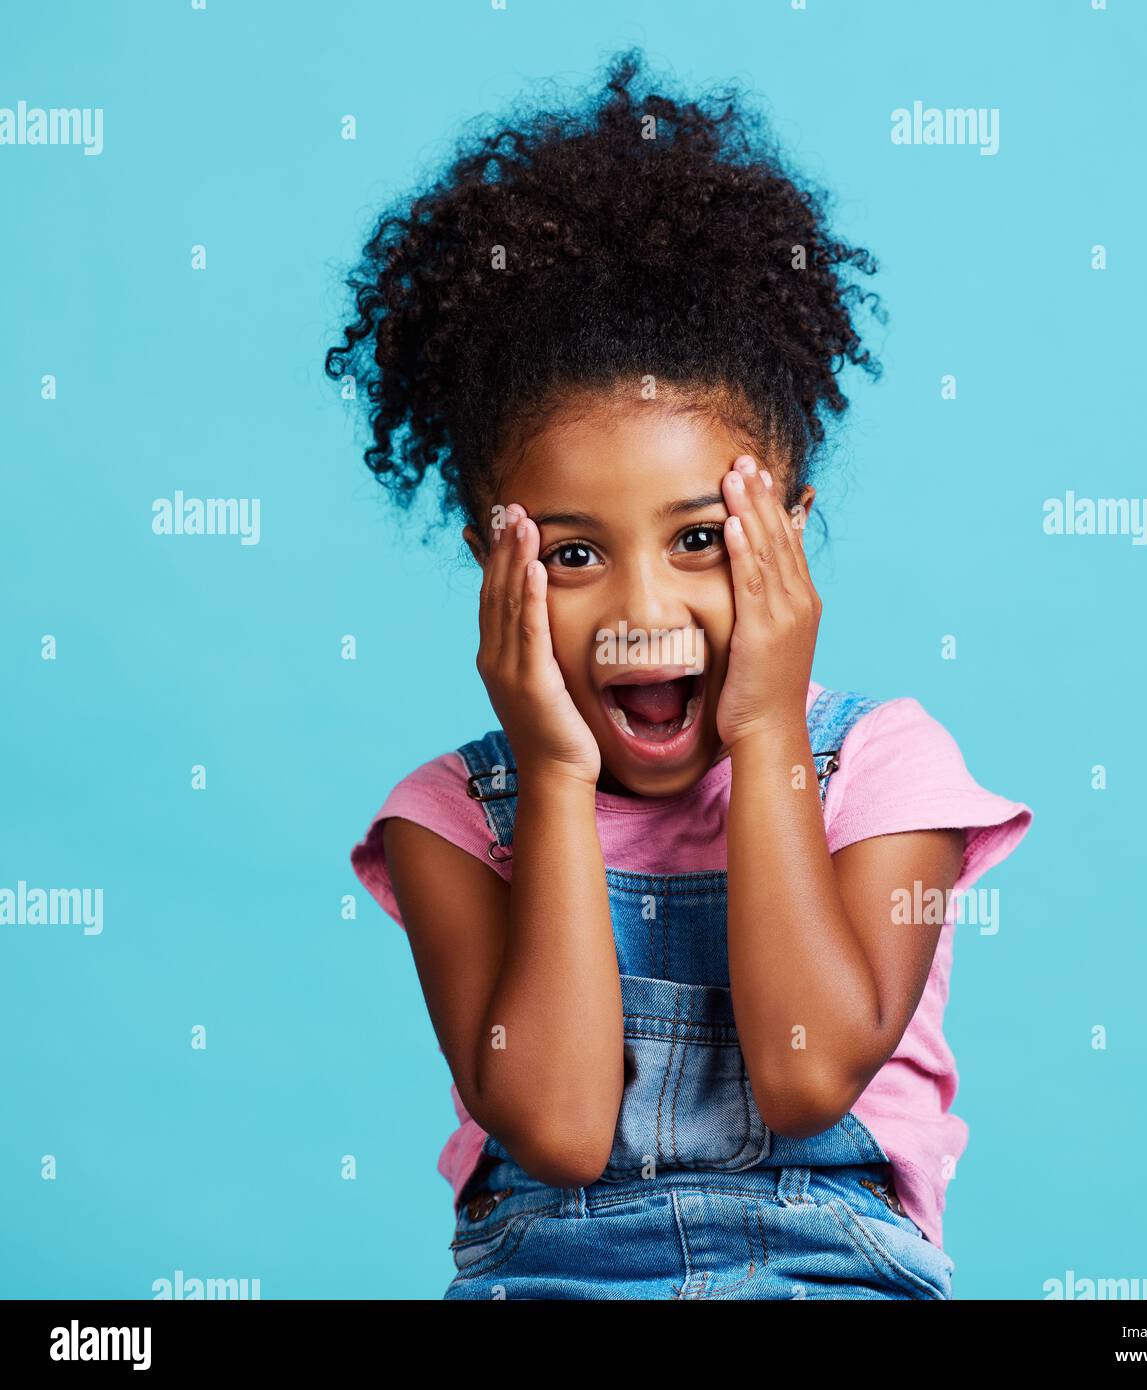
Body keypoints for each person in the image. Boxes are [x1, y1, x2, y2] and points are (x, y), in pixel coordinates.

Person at [333, 49, 1031, 1300]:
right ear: (491, 567)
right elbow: (554, 1128)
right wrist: (551, 776)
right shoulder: (449, 822)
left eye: (700, 540)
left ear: (789, 537)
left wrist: (767, 739)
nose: (642, 612)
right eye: (574, 553)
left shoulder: (884, 770)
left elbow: (808, 1071)